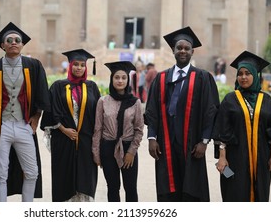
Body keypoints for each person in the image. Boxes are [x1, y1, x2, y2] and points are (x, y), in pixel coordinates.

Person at [144, 26, 220, 202]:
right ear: (173, 50)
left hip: (192, 144)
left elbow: (211, 110)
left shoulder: (202, 77)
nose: (183, 51)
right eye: (179, 48)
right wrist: (152, 138)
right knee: (168, 187)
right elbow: (152, 110)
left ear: (192, 51)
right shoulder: (161, 78)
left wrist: (204, 141)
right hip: (165, 142)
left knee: (192, 187)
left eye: (186, 48)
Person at [0, 22, 50, 202]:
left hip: (23, 125)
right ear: (2, 45)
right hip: (1, 126)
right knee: (0, 172)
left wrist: (36, 117)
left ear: (22, 45)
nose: (13, 42)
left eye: (17, 40)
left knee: (32, 171)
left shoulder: (33, 66)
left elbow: (42, 93)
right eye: (9, 40)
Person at [212, 50, 271, 202]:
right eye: (240, 73)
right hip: (235, 158)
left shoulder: (266, 100)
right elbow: (221, 131)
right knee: (234, 193)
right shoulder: (230, 99)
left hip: (262, 158)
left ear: (255, 75)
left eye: (247, 73)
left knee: (260, 194)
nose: (243, 77)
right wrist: (222, 158)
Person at [40, 49, 100, 202]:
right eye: (76, 64)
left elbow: (99, 115)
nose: (79, 68)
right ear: (70, 65)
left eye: (82, 65)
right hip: (63, 141)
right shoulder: (58, 86)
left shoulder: (92, 87)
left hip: (86, 142)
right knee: (64, 179)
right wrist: (64, 129)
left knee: (85, 180)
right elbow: (50, 112)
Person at [92, 61, 144, 201]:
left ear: (128, 80)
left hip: (128, 147)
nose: (120, 81)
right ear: (112, 79)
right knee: (113, 188)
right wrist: (96, 153)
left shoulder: (135, 102)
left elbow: (139, 130)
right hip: (108, 149)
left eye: (123, 77)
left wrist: (131, 152)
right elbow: (98, 129)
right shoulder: (103, 101)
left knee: (131, 188)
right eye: (117, 77)